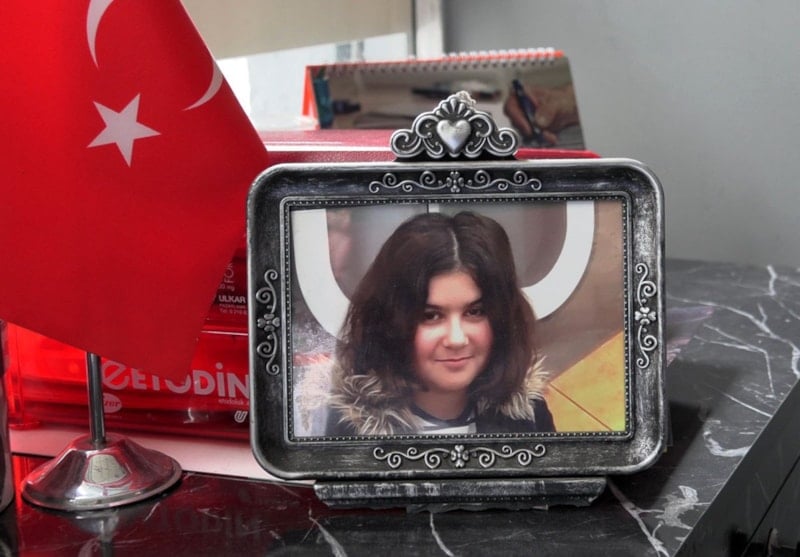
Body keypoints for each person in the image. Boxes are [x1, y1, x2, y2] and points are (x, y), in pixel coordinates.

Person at [325, 210, 555, 436]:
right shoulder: (350, 431)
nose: (456, 339)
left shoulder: (529, 417)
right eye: (431, 316)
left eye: (474, 312)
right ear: (390, 323)